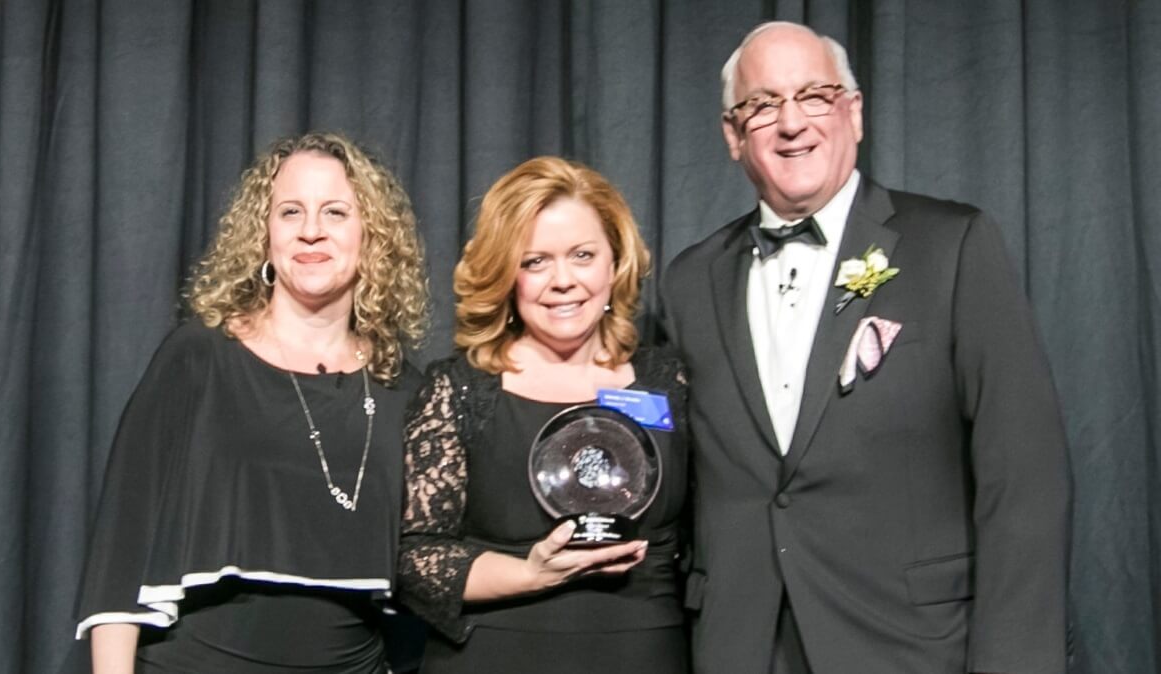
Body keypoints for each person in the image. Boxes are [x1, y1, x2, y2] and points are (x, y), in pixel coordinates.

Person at [661, 21, 1071, 674]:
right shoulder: (687, 281)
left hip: (912, 649)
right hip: (740, 649)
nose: (791, 122)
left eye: (815, 95)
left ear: (853, 114)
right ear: (733, 136)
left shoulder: (952, 246)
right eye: (763, 105)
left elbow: (1023, 479)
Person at [74, 132, 428, 673]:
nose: (311, 231)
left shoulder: (402, 387)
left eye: (335, 212)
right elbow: (122, 545)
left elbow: (427, 566)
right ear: (263, 234)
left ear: (373, 236)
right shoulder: (201, 357)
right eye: (290, 212)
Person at [397, 156, 689, 674]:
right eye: (535, 261)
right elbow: (415, 558)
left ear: (614, 261)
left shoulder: (668, 381)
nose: (562, 280)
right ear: (506, 276)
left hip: (642, 652)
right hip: (493, 653)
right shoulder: (457, 389)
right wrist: (530, 573)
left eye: (582, 255)